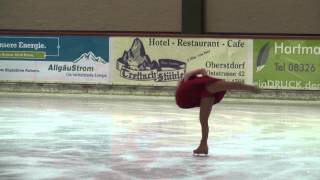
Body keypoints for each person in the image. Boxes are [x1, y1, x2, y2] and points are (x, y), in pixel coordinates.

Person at [175, 68, 260, 155]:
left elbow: (202, 70)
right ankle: (203, 145)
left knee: (204, 120)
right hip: (203, 94)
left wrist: (201, 77)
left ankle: (251, 88)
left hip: (205, 88)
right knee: (203, 120)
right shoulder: (186, 82)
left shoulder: (187, 80)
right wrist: (199, 77)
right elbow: (202, 71)